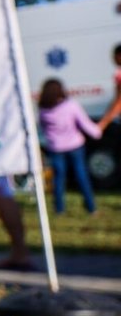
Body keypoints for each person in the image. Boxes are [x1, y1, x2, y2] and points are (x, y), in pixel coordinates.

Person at [37, 78, 104, 215]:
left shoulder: (43, 110)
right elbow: (84, 123)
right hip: (75, 146)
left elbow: (43, 129)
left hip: (55, 148)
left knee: (59, 178)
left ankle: (59, 209)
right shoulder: (70, 106)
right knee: (81, 175)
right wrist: (97, 131)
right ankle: (91, 207)